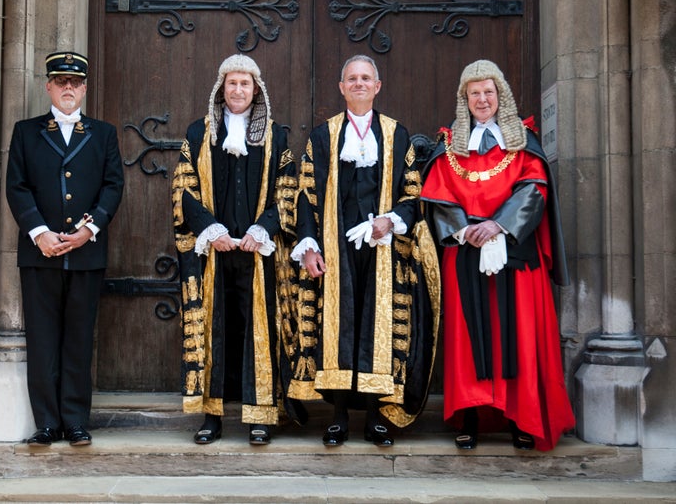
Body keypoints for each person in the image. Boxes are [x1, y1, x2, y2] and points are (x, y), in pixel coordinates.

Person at [420, 59, 574, 451]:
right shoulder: (448, 144)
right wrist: (467, 229)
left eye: (488, 92)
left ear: (500, 95)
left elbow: (534, 188)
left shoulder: (523, 140)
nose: (482, 99)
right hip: (465, 252)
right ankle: (469, 416)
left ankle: (519, 417)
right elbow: (438, 194)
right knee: (467, 340)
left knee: (517, 335)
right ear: (464, 100)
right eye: (474, 93)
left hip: (514, 253)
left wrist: (499, 226)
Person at [286, 55, 440, 447]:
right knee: (337, 330)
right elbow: (304, 195)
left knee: (378, 330)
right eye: (351, 78)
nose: (358, 84)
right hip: (334, 251)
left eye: (365, 78)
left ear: (377, 86)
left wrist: (388, 221)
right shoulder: (322, 136)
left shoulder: (396, 134)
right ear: (341, 88)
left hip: (383, 249)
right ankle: (337, 417)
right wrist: (308, 246)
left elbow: (414, 194)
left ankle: (375, 418)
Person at [172, 54, 301, 445]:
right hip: (213, 252)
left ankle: (260, 416)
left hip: (257, 253)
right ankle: (212, 417)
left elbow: (289, 190)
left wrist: (263, 229)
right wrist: (210, 230)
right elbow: (183, 189)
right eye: (232, 84)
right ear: (221, 88)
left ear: (256, 89)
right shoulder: (198, 134)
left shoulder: (276, 137)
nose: (239, 90)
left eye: (245, 84)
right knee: (215, 331)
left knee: (256, 332)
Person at [6, 51, 124, 446]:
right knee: (42, 340)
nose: (68, 88)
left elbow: (113, 185)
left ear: (85, 88)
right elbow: (17, 186)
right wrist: (39, 232)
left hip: (86, 254)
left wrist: (89, 229)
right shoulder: (26, 131)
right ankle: (46, 423)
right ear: (49, 87)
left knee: (77, 339)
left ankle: (75, 421)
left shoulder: (103, 134)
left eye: (75, 83)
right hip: (38, 254)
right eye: (60, 81)